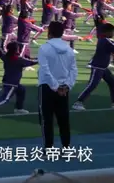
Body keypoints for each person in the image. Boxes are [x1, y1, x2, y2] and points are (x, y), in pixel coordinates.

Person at [37, 21, 78, 150]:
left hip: (47, 87)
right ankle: (66, 147)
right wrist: (67, 86)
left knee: (47, 119)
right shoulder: (69, 49)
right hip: (64, 88)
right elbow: (73, 70)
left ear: (50, 32)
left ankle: (49, 147)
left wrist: (55, 86)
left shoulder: (44, 48)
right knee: (64, 119)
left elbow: (45, 69)